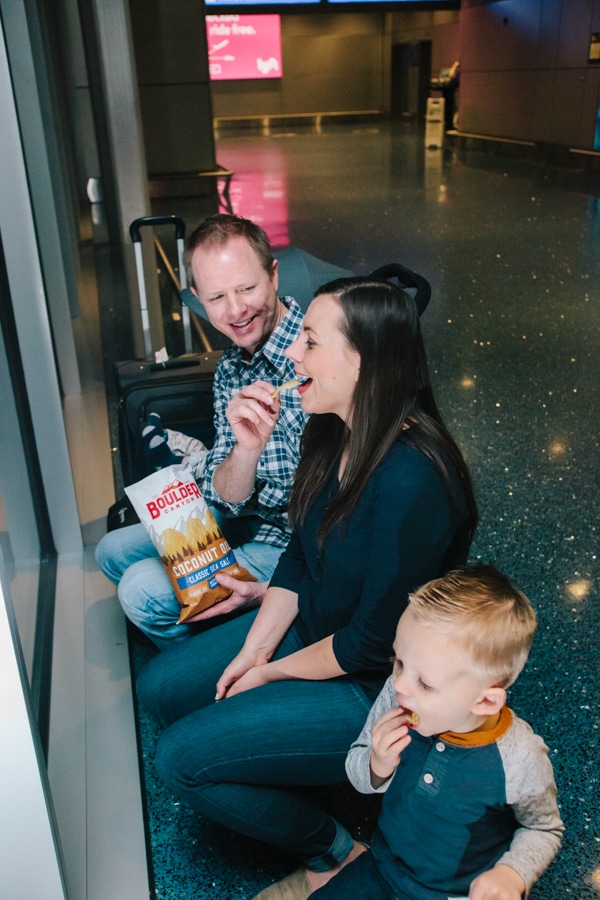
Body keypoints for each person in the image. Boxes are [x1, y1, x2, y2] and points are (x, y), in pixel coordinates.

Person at [136, 276, 479, 900]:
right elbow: (300, 551)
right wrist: (253, 651)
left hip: (373, 685)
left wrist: (268, 676)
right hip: (315, 626)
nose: (294, 353)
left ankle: (335, 848)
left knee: (179, 762)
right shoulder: (334, 425)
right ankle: (292, 751)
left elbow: (372, 646)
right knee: (161, 690)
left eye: (312, 343)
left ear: (365, 362)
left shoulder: (413, 480)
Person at [95, 213, 308, 647]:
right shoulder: (230, 366)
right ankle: (212, 623)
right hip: (245, 519)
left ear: (273, 274)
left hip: (295, 543)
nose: (236, 311)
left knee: (139, 591)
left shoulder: (311, 353)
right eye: (216, 297)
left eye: (247, 288)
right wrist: (243, 454)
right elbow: (228, 497)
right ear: (197, 298)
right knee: (111, 551)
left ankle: (203, 666)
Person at [311, 564, 563, 900]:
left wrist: (511, 874)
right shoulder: (396, 694)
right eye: (398, 661)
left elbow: (543, 829)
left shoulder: (520, 759)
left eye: (425, 683)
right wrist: (375, 765)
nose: (399, 684)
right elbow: (358, 767)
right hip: (382, 866)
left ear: (485, 701)